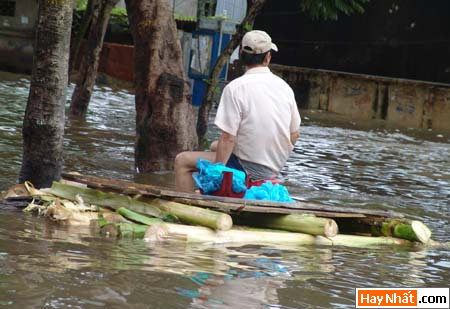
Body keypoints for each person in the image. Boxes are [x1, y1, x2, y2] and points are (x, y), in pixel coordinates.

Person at [175, 30, 301, 192]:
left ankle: (190, 206)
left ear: (241, 55)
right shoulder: (285, 88)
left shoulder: (235, 88)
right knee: (214, 146)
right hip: (273, 167)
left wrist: (217, 174)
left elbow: (228, 138)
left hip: (246, 168)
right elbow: (294, 135)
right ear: (267, 57)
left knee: (182, 160)